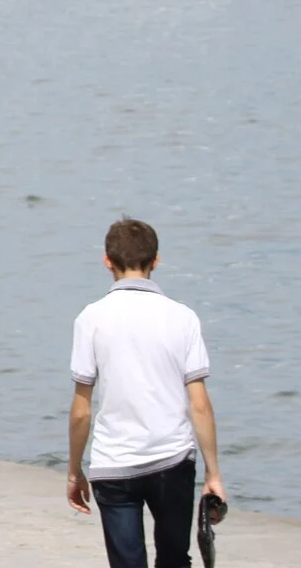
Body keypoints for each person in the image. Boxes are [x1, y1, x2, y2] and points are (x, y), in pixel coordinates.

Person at [68, 218, 224, 568]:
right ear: (156, 260)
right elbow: (200, 405)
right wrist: (213, 475)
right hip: (171, 461)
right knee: (174, 560)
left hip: (113, 464)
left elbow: (81, 409)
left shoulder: (90, 319)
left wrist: (75, 470)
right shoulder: (182, 318)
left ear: (107, 261)